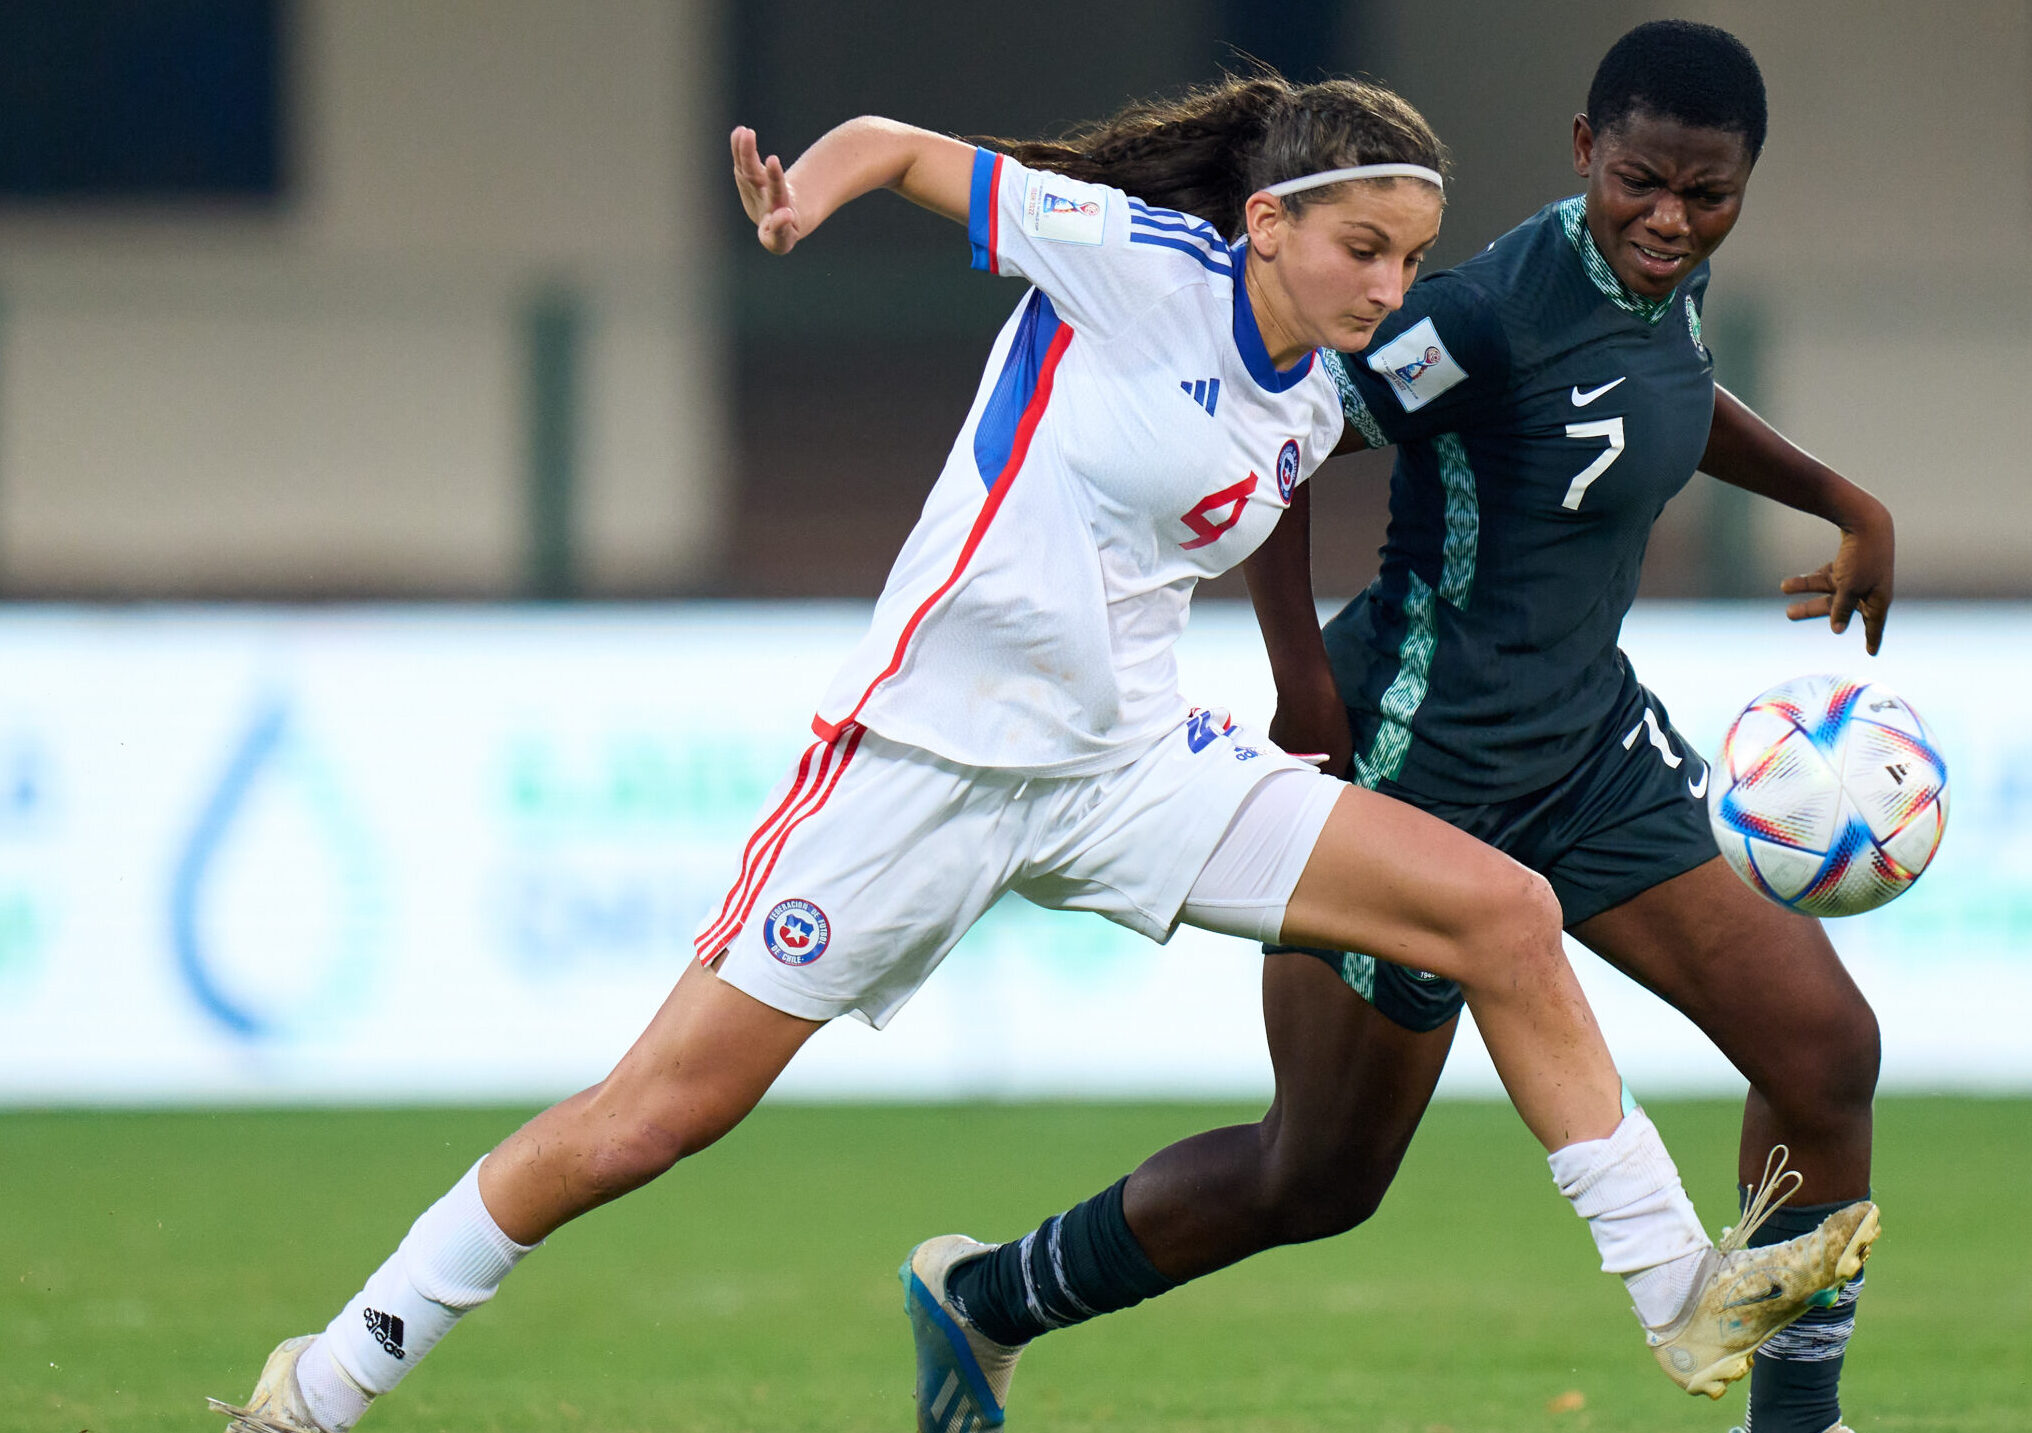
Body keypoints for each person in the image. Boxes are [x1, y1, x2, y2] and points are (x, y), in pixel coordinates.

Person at [207, 72, 1874, 1433]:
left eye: (1405, 257)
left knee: (1497, 910)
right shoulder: (1131, 257)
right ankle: (325, 1383)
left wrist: (1291, 692)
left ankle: (1675, 1289)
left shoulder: (1323, 387)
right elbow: (907, 147)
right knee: (649, 1120)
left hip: (1133, 769)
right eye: (1363, 250)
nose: (1389, 288)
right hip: (923, 768)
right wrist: (810, 195)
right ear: (1267, 222)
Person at [916, 23, 1898, 1433]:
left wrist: (1837, 497)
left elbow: (1660, 396)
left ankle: (1795, 1424)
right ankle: (989, 1296)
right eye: (1641, 183)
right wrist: (1299, 676)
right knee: (1315, 1177)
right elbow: (1285, 426)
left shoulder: (1652, 281)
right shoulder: (1484, 313)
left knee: (1821, 1051)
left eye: (1707, 194)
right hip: (1409, 765)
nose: (1670, 219)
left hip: (1588, 755)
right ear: (1581, 152)